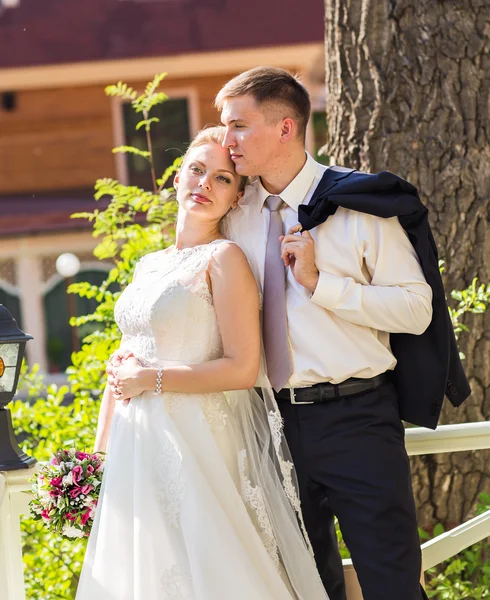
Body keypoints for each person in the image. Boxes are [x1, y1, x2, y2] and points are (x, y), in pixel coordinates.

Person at [75, 126, 329, 600]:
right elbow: (125, 362)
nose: (205, 185)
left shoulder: (225, 259)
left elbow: (241, 366)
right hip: (137, 442)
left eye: (223, 179)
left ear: (236, 199)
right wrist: (99, 453)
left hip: (197, 441)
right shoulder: (148, 265)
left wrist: (150, 379)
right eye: (196, 170)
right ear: (176, 178)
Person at [215, 66, 436, 600]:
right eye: (224, 127)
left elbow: (416, 310)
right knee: (303, 587)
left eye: (239, 126)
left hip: (356, 418)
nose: (228, 142)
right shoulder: (232, 216)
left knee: (391, 583)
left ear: (286, 128)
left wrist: (320, 283)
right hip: (269, 427)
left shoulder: (359, 204)